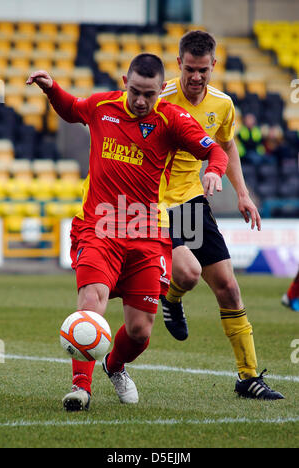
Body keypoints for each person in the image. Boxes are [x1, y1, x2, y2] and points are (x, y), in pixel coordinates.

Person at [26, 53, 228, 411]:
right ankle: (81, 388)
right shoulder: (102, 106)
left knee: (140, 332)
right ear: (124, 82)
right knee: (92, 301)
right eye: (135, 91)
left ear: (159, 92)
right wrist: (51, 89)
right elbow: (72, 108)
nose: (140, 101)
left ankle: (115, 365)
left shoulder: (172, 119)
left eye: (149, 94)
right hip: (99, 228)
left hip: (147, 234)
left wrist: (214, 168)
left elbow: (214, 150)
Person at [159, 30, 284, 400]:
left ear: (214, 65)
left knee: (228, 287)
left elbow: (226, 143)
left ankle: (247, 377)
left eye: (203, 70)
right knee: (188, 272)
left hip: (190, 200)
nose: (196, 78)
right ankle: (172, 295)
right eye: (190, 70)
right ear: (178, 63)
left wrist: (242, 194)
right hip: (152, 203)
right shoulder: (157, 98)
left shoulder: (223, 105)